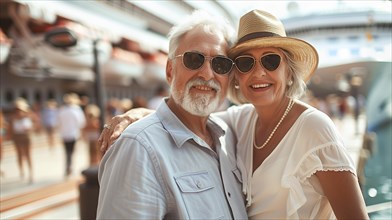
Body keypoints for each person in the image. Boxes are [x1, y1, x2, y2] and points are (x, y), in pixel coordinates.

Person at [98, 9, 369, 219]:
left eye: (271, 61)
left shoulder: (312, 127)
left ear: (288, 71)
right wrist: (141, 116)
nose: (259, 72)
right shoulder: (235, 124)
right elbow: (179, 117)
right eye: (245, 62)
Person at [96, 10, 247, 219]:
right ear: (169, 70)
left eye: (220, 64)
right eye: (194, 59)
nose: (206, 73)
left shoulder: (229, 135)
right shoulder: (137, 148)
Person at [57, 93, 86, 177]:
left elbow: (58, 122)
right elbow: (81, 122)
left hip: (64, 134)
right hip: (73, 134)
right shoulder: (76, 110)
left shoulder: (62, 110)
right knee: (71, 152)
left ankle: (68, 166)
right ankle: (70, 167)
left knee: (67, 152)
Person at [8, 98, 34, 183]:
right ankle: (22, 172)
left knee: (28, 155)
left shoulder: (28, 116)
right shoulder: (12, 118)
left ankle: (31, 173)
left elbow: (33, 126)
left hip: (26, 137)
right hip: (17, 137)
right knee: (19, 155)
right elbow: (10, 129)